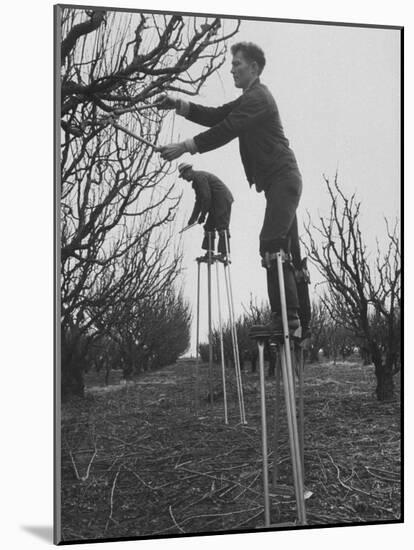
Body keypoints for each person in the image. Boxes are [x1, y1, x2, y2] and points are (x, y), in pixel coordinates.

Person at [158, 42, 310, 337]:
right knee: (284, 249)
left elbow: (226, 130)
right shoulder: (248, 98)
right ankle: (296, 320)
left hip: (284, 180)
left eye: (237, 64)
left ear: (254, 67)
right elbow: (216, 115)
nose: (232, 69)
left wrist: (184, 147)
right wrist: (179, 105)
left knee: (272, 244)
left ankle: (287, 320)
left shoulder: (259, 99)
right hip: (280, 183)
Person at [178, 162, 234, 256]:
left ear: (188, 172)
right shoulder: (196, 181)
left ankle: (224, 253)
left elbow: (206, 197)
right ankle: (209, 252)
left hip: (222, 200)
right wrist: (193, 218)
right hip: (214, 202)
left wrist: (202, 215)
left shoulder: (200, 178)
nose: (183, 178)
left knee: (222, 225)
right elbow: (199, 201)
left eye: (183, 175)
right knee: (209, 226)